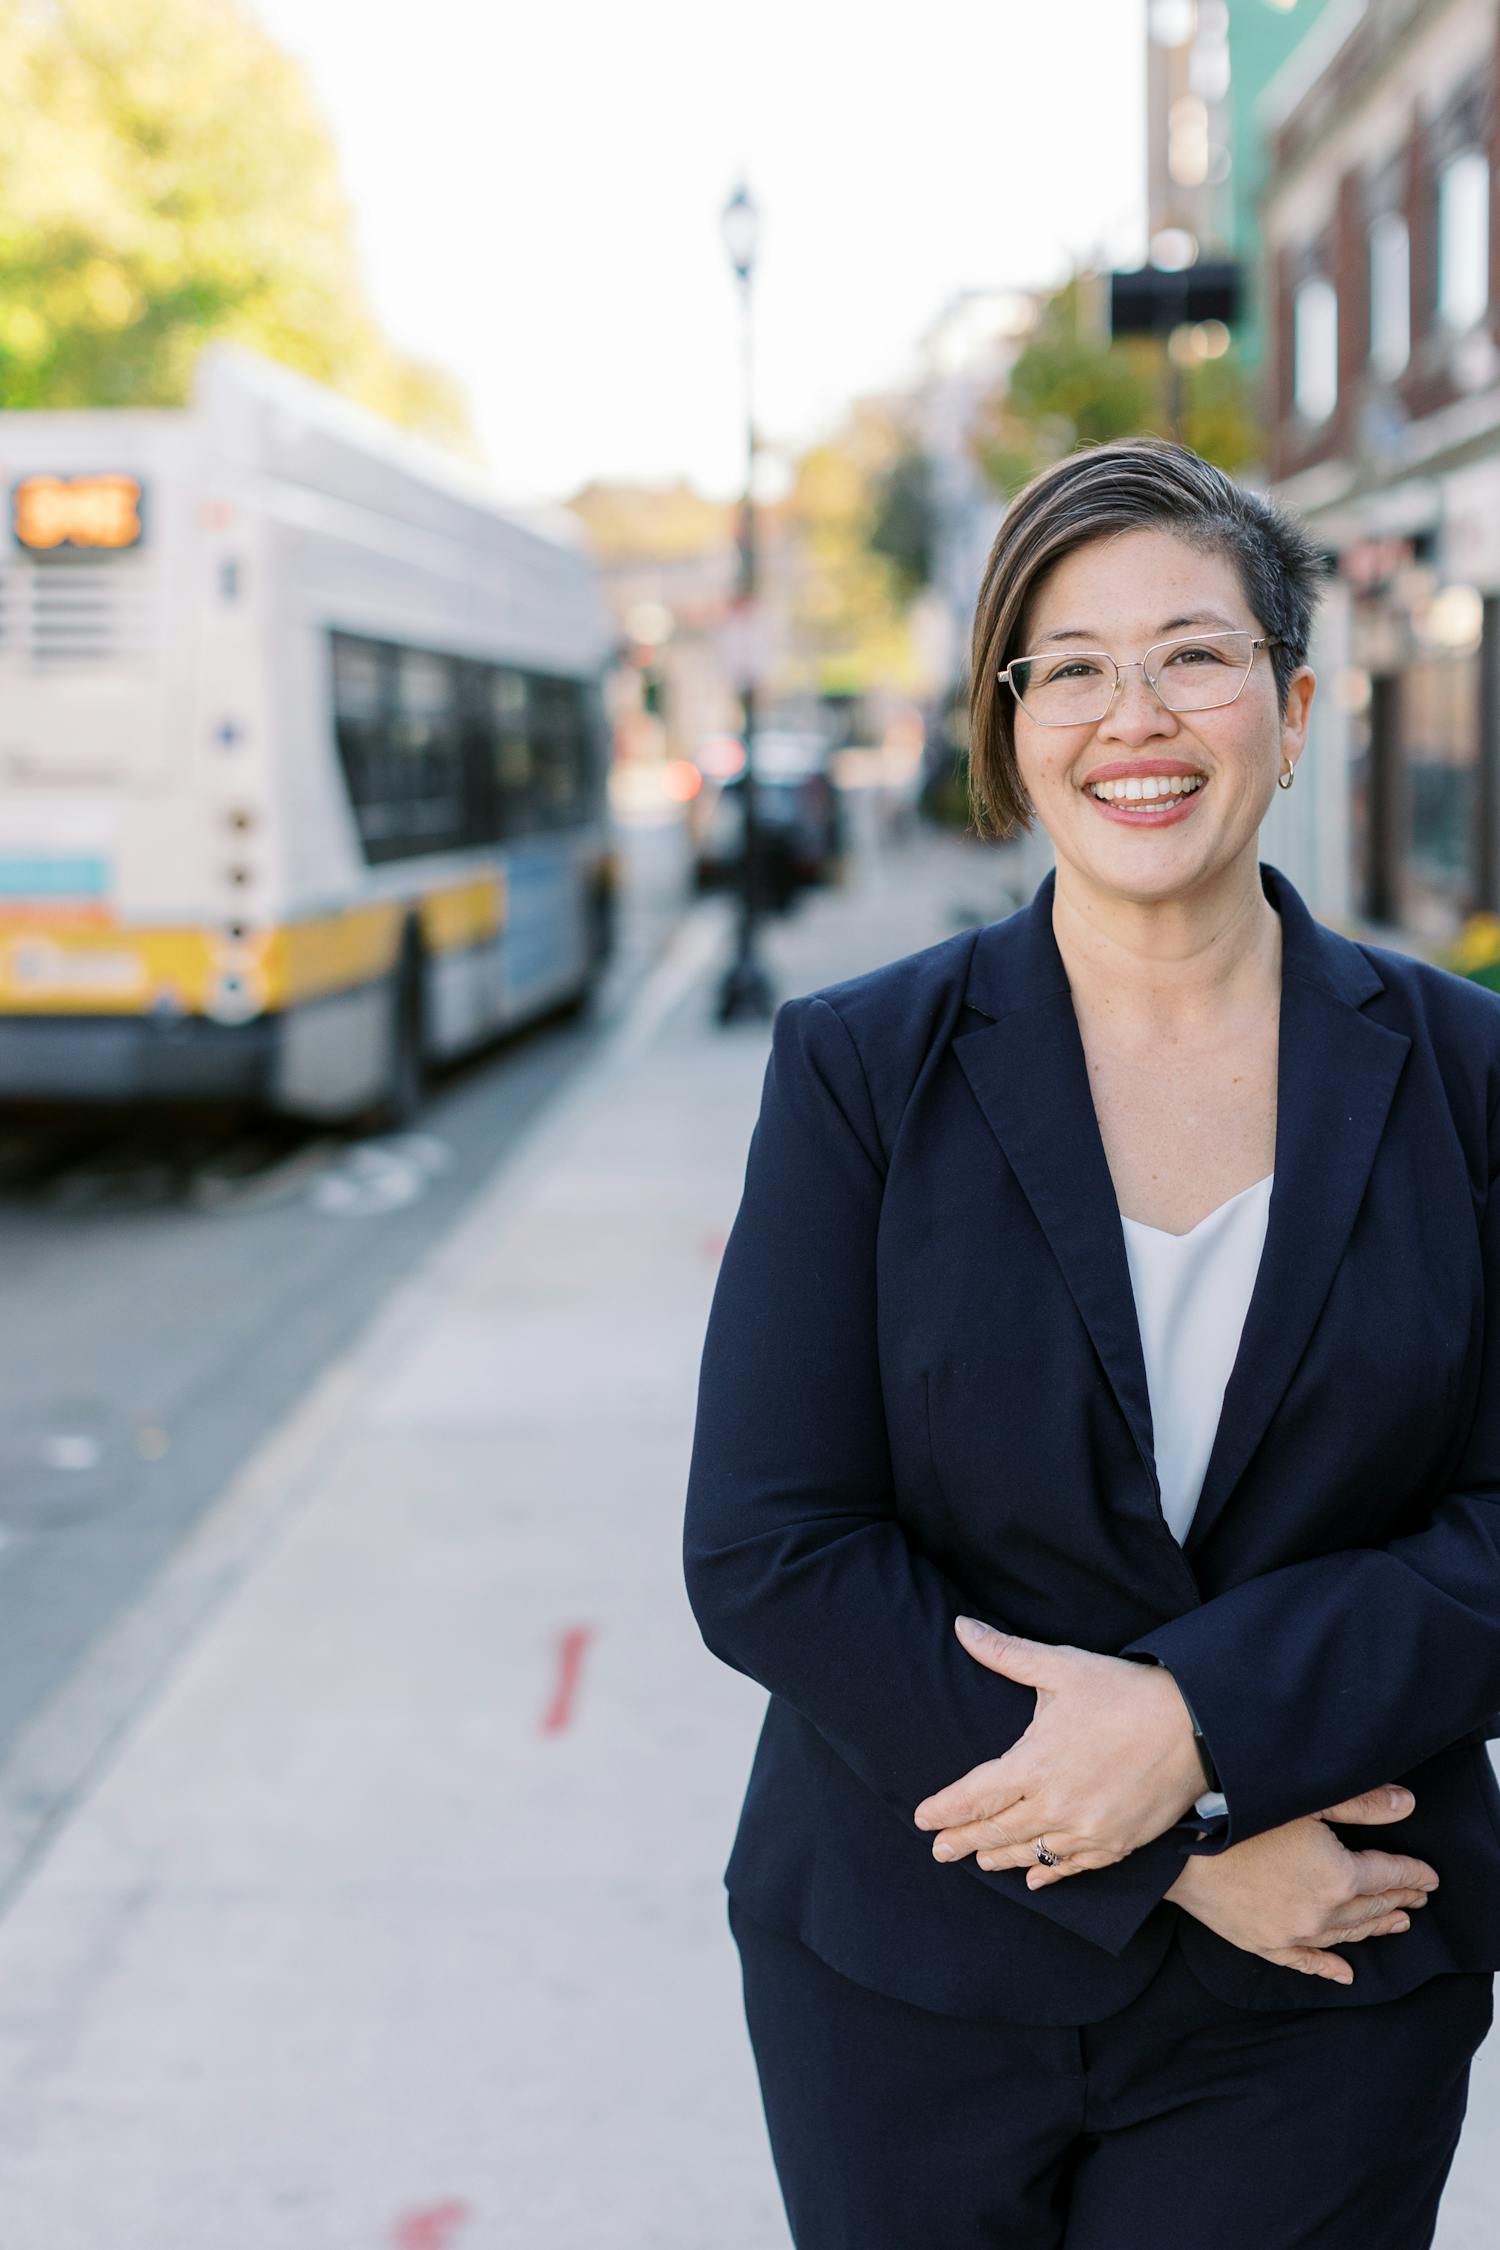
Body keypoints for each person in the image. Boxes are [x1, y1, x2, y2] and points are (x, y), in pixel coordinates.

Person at [682, 438, 1500, 2249]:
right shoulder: (861, 1065)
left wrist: (1212, 1725)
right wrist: (1183, 1825)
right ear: (1013, 719)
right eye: (1071, 664)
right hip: (909, 1967)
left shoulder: (1464, 1073)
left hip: (1333, 1963)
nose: (1136, 713)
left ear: (1293, 707)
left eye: (1195, 653)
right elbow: (770, 1547)